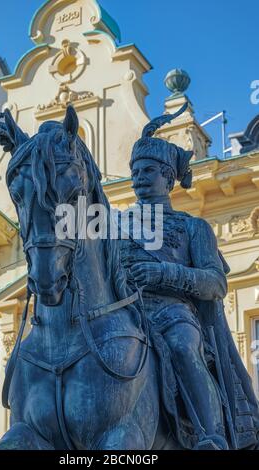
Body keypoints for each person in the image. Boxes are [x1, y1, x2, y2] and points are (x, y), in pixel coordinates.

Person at [119, 109, 259, 450]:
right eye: (135, 171)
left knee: (183, 346)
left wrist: (164, 272)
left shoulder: (192, 227)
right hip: (123, 313)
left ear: (168, 179)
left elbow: (216, 283)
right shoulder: (114, 227)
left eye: (148, 171)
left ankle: (210, 436)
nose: (139, 178)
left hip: (172, 314)